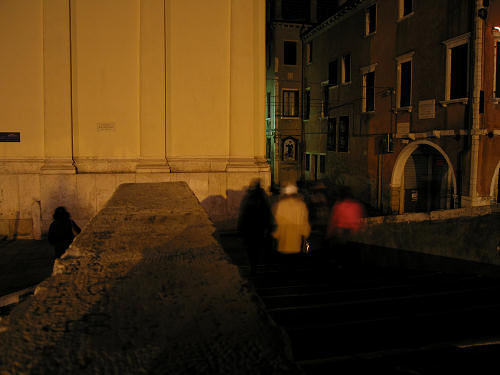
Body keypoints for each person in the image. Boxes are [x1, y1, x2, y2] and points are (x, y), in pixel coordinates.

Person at [237, 180, 274, 276]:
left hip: (251, 229)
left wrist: (240, 228)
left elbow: (243, 214)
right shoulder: (263, 198)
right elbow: (268, 213)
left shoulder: (248, 198)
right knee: (259, 249)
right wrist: (269, 227)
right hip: (259, 229)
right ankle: (262, 266)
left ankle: (254, 268)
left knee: (252, 250)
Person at [326, 187, 365, 267]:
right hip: (354, 233)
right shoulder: (357, 205)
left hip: (342, 233)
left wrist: (329, 234)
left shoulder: (339, 205)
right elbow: (361, 220)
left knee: (341, 255)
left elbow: (334, 220)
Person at [272, 183, 311, 256]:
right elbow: (304, 223)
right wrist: (305, 234)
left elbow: (277, 222)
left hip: (283, 242)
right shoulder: (301, 205)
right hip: (296, 243)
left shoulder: (281, 205)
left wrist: (276, 235)